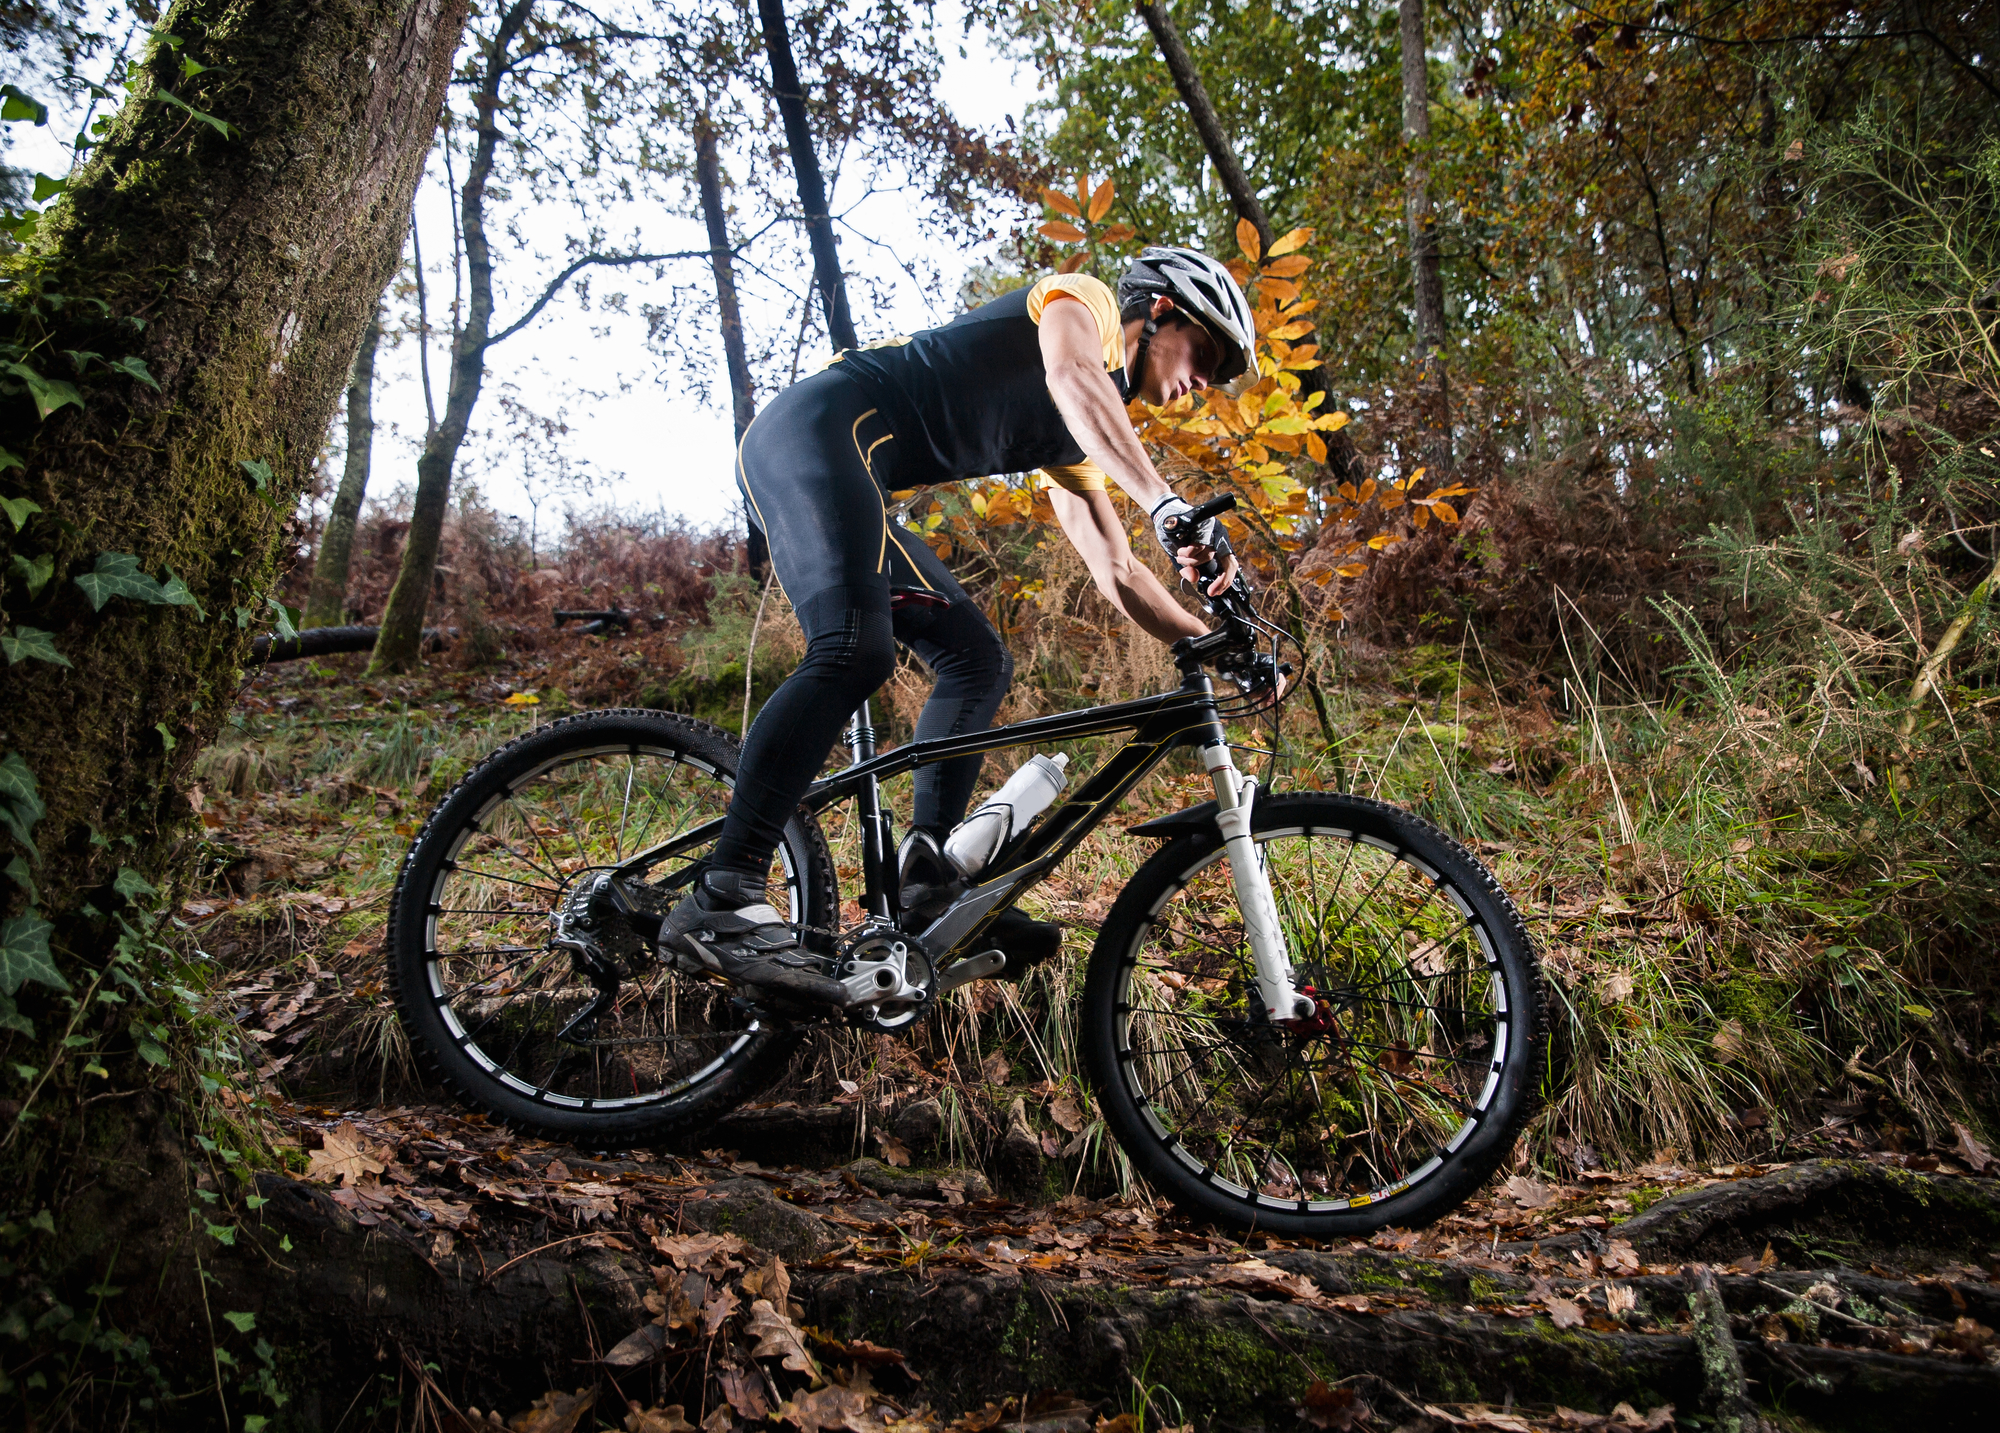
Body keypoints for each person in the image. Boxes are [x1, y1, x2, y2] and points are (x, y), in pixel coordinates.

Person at [661, 247, 1257, 1005]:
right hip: (813, 432)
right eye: (1205, 354)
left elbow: (1119, 572)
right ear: (1162, 310)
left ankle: (923, 887)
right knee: (857, 648)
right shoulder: (1086, 306)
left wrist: (1210, 643)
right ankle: (724, 891)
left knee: (978, 660)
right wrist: (1166, 504)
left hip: (856, 472)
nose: (1202, 382)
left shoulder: (1078, 437)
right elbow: (1073, 378)